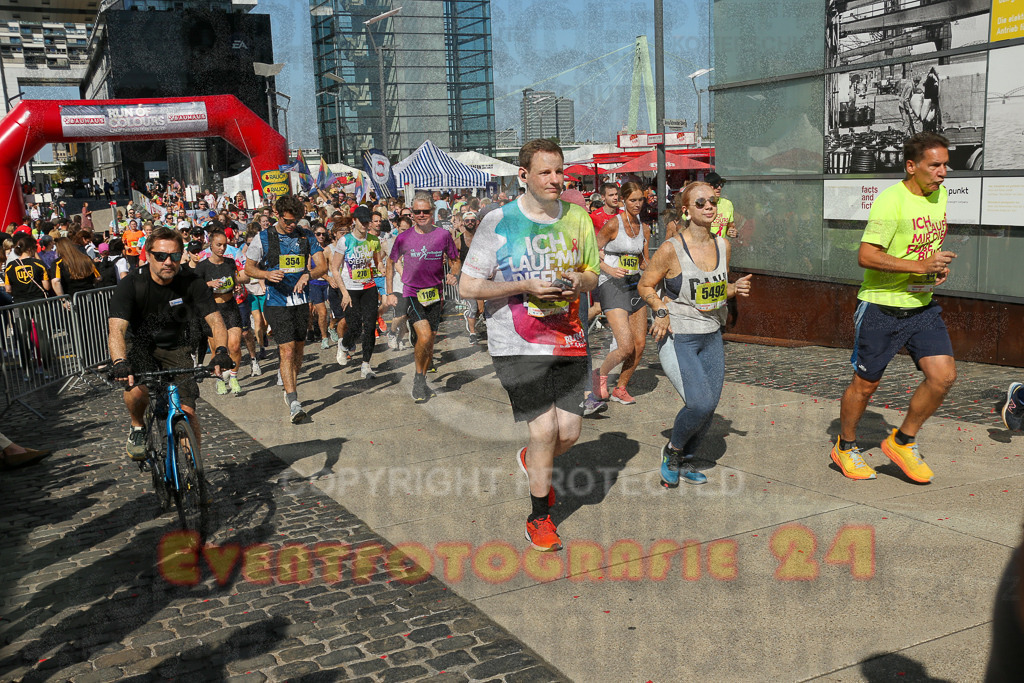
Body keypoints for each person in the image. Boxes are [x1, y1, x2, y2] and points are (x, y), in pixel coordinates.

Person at [460, 138, 599, 552]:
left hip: (569, 336)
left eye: (559, 171)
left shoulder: (578, 218)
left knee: (568, 433)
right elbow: (468, 285)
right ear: (524, 175)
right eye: (545, 172)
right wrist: (523, 284)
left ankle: (531, 461)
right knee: (544, 430)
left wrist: (579, 281)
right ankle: (539, 518)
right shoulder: (498, 221)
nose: (556, 179)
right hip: (516, 340)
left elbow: (592, 273)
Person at [832, 132, 957, 484]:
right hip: (881, 308)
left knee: (943, 376)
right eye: (935, 165)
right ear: (911, 166)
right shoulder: (891, 202)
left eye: (946, 164)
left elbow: (924, 246)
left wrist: (935, 268)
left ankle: (902, 441)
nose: (943, 172)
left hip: (921, 305)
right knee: (865, 385)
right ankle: (845, 446)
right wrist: (921, 267)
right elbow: (866, 256)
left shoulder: (940, 196)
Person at [639, 181, 752, 487]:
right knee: (699, 403)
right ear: (686, 211)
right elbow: (645, 286)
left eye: (713, 202)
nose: (709, 207)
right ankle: (672, 451)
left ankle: (686, 460)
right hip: (681, 335)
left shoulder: (722, 246)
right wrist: (661, 312)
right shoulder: (670, 249)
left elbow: (713, 289)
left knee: (709, 405)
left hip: (711, 333)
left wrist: (734, 288)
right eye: (700, 203)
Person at [107, 227, 232, 460]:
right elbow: (116, 329)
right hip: (140, 346)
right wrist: (120, 361)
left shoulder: (192, 282)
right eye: (161, 256)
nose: (168, 262)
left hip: (177, 346)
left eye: (174, 256)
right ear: (147, 254)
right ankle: (137, 428)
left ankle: (194, 473)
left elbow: (216, 321)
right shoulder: (131, 284)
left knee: (187, 412)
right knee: (136, 391)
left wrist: (222, 351)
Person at [244, 195, 327, 423]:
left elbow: (322, 266)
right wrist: (266, 274)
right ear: (277, 215)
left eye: (296, 221)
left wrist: (307, 275)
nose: (292, 225)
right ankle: (294, 400)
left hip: (301, 301)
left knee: (299, 350)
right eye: (288, 221)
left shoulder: (306, 235)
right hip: (276, 300)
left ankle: (289, 386)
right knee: (287, 350)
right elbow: (248, 268)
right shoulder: (263, 238)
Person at [385, 192, 461, 402]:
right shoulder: (404, 237)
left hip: (436, 294)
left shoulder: (443, 235)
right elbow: (390, 263)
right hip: (412, 293)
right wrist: (390, 292)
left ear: (433, 212)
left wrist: (453, 274)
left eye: (425, 211)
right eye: (416, 212)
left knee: (430, 342)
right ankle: (418, 381)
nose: (420, 215)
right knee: (424, 336)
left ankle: (422, 378)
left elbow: (456, 260)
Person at [592, 181, 651, 406]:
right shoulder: (613, 225)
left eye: (640, 200)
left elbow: (644, 263)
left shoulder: (644, 228)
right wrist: (608, 268)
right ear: (623, 201)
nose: (637, 205)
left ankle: (621, 388)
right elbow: (592, 251)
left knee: (640, 344)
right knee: (625, 346)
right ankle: (600, 373)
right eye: (632, 200)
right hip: (611, 284)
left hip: (634, 285)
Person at [332, 205, 385, 379]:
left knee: (370, 327)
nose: (364, 225)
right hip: (350, 289)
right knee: (354, 327)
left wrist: (383, 269)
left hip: (368, 288)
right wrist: (344, 293)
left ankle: (366, 365)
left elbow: (378, 264)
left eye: (367, 222)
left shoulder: (374, 241)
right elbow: (334, 267)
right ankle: (343, 344)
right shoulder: (345, 241)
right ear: (354, 221)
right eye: (361, 222)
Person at [194, 230, 249, 396]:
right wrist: (208, 284)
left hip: (230, 307)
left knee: (235, 346)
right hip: (212, 311)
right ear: (210, 244)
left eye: (225, 245)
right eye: (219, 245)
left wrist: (237, 286)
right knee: (217, 349)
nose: (222, 248)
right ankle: (219, 379)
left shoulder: (230, 263)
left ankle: (233, 376)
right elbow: (194, 288)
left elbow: (236, 279)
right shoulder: (202, 266)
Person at [455, 211, 485, 343]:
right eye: (467, 221)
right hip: (465, 280)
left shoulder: (481, 238)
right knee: (473, 307)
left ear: (477, 222)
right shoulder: (458, 241)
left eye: (473, 220)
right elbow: (454, 261)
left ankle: (471, 320)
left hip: (480, 278)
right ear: (463, 223)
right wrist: (454, 275)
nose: (470, 223)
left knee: (481, 308)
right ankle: (473, 333)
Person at [3, 235, 50, 302]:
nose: (36, 249)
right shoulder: (39, 264)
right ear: (29, 249)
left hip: (19, 303)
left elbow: (8, 289)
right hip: (38, 302)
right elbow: (47, 286)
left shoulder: (10, 266)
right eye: (35, 247)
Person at [705, 172, 737, 239]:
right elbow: (684, 224)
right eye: (716, 185)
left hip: (720, 246)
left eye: (721, 185)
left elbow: (730, 226)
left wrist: (731, 231)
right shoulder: (700, 203)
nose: (719, 188)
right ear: (707, 186)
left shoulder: (727, 204)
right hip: (703, 246)